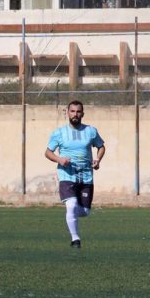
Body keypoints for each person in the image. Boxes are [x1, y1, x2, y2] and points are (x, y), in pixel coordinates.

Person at [44, 100, 106, 248]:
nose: (75, 114)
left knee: (84, 212)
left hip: (86, 176)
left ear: (82, 114)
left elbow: (101, 147)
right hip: (67, 175)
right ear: (67, 113)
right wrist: (60, 159)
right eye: (72, 111)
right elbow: (47, 152)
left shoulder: (91, 131)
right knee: (71, 205)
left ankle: (71, 216)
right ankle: (75, 239)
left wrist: (97, 159)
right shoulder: (59, 133)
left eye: (78, 112)